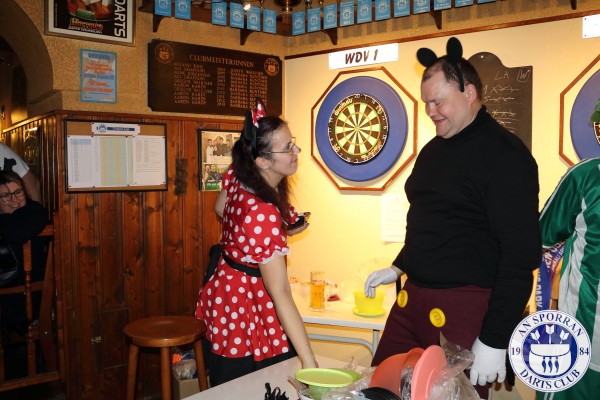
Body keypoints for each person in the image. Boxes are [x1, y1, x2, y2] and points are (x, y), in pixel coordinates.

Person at [364, 37, 541, 399]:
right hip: (412, 302)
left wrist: (494, 338)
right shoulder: (433, 150)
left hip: (465, 310)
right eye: (426, 103)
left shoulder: (506, 157)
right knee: (379, 387)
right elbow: (431, 221)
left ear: (469, 92)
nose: (430, 111)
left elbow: (519, 256)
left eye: (438, 101)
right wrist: (399, 266)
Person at [195, 99, 316, 386]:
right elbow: (281, 292)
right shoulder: (263, 212)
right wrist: (309, 361)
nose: (296, 151)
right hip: (245, 300)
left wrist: (263, 237)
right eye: (287, 148)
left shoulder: (239, 173)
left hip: (224, 286)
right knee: (253, 380)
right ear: (262, 161)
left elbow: (221, 209)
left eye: (293, 143)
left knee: (229, 373)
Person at [536, 155, 600, 400]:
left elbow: (540, 238)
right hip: (582, 339)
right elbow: (541, 238)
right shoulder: (586, 177)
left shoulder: (586, 175)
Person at [0, 171, 49, 338]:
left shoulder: (35, 211)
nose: (14, 199)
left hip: (27, 295)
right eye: (6, 195)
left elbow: (16, 232)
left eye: (18, 192)